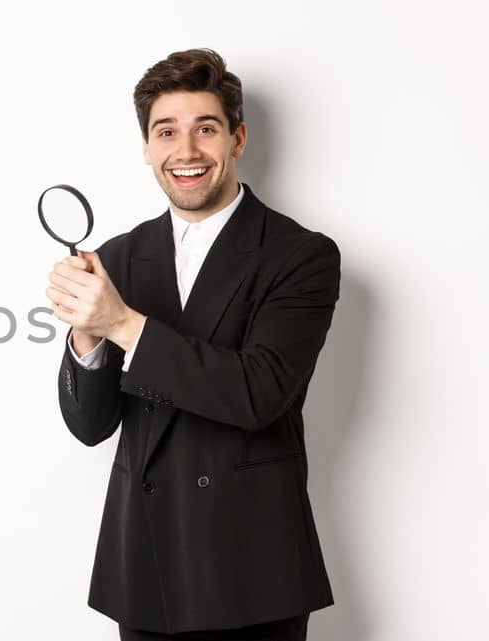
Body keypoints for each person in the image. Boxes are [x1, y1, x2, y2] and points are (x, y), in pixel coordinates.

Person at [44, 49, 339, 641]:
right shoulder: (119, 257)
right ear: (147, 148)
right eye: (166, 132)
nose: (186, 151)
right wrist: (86, 333)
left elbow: (258, 394)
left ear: (237, 138)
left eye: (205, 128)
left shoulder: (300, 255)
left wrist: (123, 324)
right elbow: (90, 424)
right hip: (146, 566)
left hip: (253, 569)